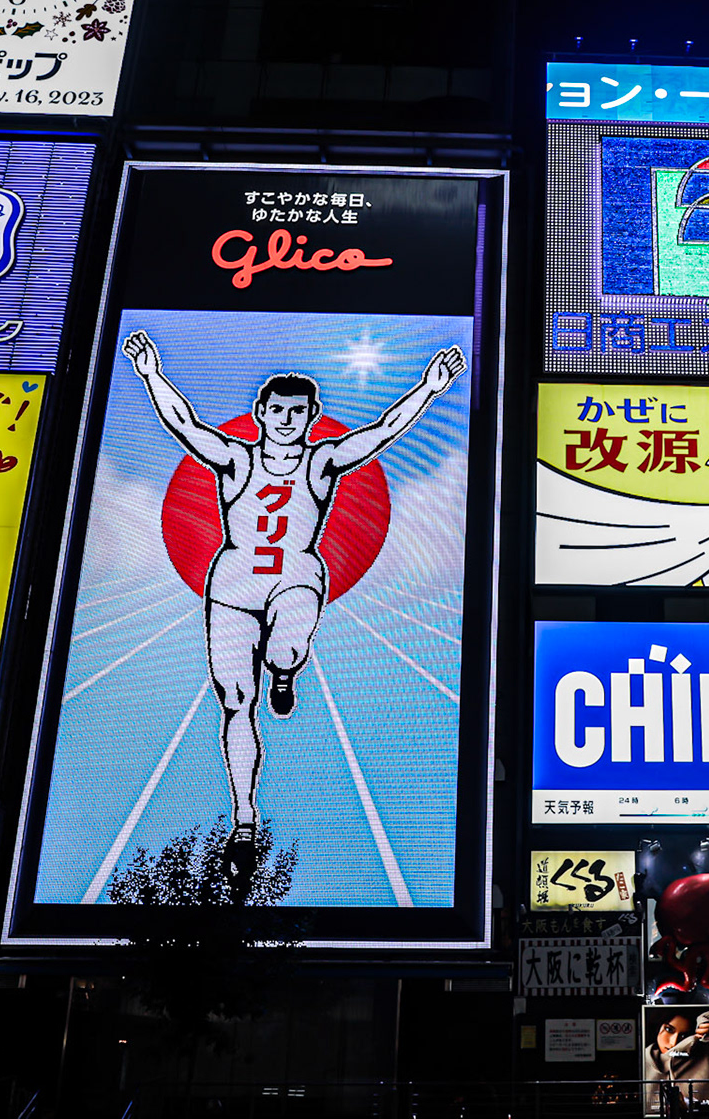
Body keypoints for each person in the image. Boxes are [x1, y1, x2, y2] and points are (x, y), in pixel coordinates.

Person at [121, 330, 464, 895]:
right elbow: (185, 426)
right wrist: (151, 372)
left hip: (297, 577)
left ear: (311, 416)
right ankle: (244, 821)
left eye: (296, 412)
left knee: (285, 646)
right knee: (234, 701)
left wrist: (427, 390)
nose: (285, 419)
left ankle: (284, 670)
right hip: (232, 584)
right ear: (260, 413)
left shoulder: (322, 462)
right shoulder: (235, 460)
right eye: (276, 410)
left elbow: (380, 433)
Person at [649, 1012, 709, 1115]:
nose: (673, 1042)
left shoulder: (705, 1058)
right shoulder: (646, 1060)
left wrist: (708, 1019)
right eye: (669, 1030)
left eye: (683, 1036)